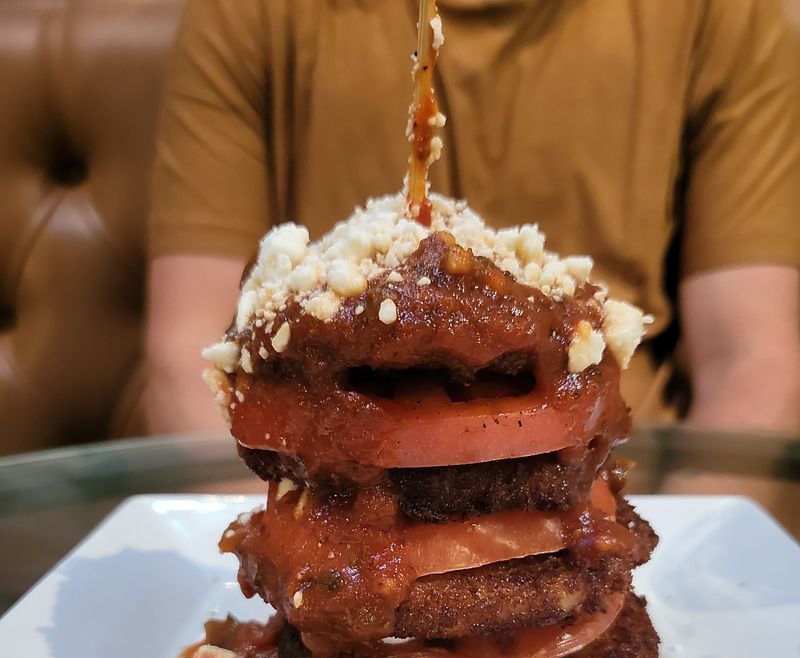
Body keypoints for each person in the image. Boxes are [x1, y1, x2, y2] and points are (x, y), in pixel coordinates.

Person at [142, 0, 800, 438]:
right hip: (313, 489)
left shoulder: (720, 13)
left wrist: (673, 571)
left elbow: (752, 359)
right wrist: (281, 570)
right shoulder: (251, 11)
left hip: (615, 487)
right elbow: (187, 351)